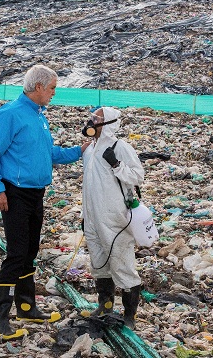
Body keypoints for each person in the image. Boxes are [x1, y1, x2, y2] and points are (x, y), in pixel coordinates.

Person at [0, 64, 90, 340]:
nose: (54, 93)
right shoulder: (9, 114)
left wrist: (79, 151)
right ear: (39, 87)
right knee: (16, 254)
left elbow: (48, 152)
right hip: (14, 193)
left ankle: (27, 307)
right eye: (52, 88)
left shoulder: (39, 116)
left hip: (36, 193)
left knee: (30, 251)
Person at [81, 106, 145, 329]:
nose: (91, 122)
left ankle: (129, 316)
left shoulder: (120, 147)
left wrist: (117, 165)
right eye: (91, 118)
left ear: (108, 124)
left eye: (96, 119)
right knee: (99, 262)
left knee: (121, 262)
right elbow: (88, 185)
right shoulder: (90, 149)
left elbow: (138, 176)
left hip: (114, 217)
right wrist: (85, 215)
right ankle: (105, 304)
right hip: (92, 217)